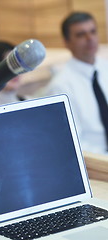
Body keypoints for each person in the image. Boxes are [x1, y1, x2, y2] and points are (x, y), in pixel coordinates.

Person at [46, 12, 108, 155]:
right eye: (81, 34)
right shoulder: (60, 86)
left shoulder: (106, 68)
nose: (90, 38)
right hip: (97, 162)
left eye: (93, 32)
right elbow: (74, 144)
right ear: (67, 42)